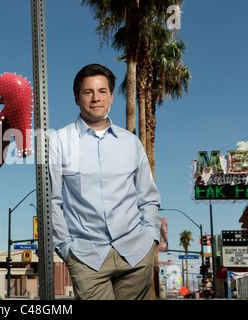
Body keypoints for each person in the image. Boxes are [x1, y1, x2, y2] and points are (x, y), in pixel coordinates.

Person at [49, 63, 161, 300]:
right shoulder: (59, 141)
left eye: (102, 91)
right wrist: (66, 249)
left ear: (111, 97)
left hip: (136, 253)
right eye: (88, 92)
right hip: (87, 257)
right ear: (77, 98)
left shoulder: (130, 142)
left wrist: (151, 236)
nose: (95, 98)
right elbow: (52, 201)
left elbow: (148, 196)